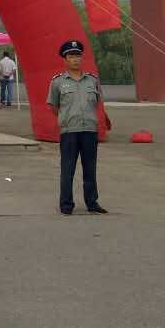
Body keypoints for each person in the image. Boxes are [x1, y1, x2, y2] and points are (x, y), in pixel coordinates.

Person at [46, 39, 108, 216]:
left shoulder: (92, 80)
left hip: (89, 130)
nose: (75, 59)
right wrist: (66, 118)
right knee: (68, 169)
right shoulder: (58, 82)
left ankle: (92, 202)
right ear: (65, 60)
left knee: (90, 168)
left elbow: (96, 102)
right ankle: (66, 204)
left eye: (78, 55)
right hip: (69, 132)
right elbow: (53, 106)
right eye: (71, 56)